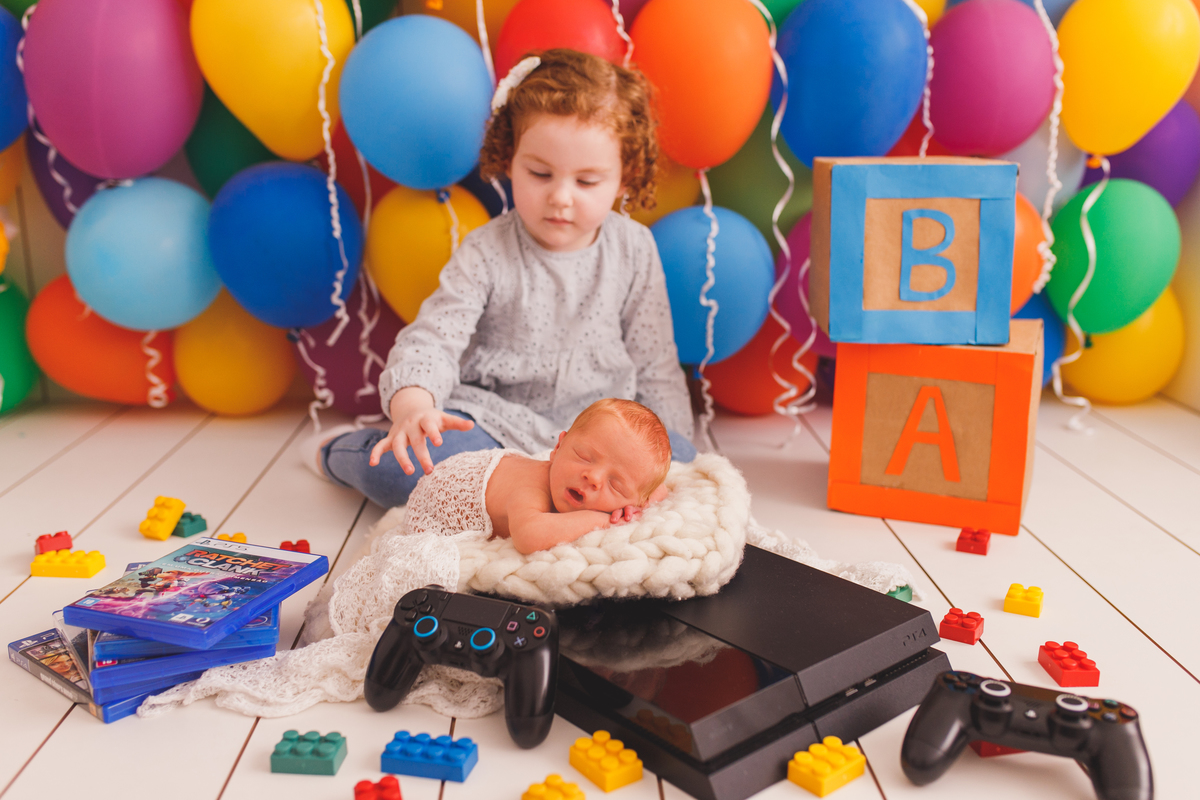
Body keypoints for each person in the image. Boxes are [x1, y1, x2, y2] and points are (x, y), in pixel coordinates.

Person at [310, 48, 695, 509]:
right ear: (509, 159)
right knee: (408, 472)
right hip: (491, 427)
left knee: (685, 463)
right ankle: (338, 452)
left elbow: (655, 366)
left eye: (587, 181)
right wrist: (414, 406)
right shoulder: (487, 250)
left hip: (597, 443)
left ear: (624, 178)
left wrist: (671, 461)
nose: (560, 198)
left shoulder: (633, 249)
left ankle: (550, 494)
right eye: (539, 173)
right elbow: (432, 340)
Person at [404, 399, 673, 554]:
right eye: (584, 456)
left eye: (615, 485)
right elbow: (528, 536)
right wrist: (602, 519)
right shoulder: (531, 487)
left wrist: (637, 503)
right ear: (558, 448)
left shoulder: (583, 481)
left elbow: (655, 491)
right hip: (437, 503)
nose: (592, 477)